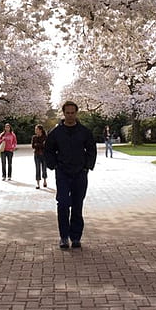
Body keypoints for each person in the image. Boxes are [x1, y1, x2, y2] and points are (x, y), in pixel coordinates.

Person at [45, 101, 96, 249]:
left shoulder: (84, 132)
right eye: (67, 113)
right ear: (64, 113)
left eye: (72, 112)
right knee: (63, 204)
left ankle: (76, 237)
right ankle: (64, 236)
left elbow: (91, 150)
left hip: (80, 173)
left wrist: (87, 167)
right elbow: (49, 150)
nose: (70, 115)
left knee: (77, 205)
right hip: (63, 173)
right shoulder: (56, 133)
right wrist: (53, 165)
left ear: (76, 113)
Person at [32, 124, 48, 189]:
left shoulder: (45, 137)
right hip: (37, 155)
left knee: (44, 169)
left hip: (44, 155)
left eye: (37, 129)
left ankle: (45, 181)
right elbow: (33, 146)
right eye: (35, 129)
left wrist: (37, 145)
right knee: (37, 169)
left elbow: (46, 146)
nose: (35, 130)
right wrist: (41, 145)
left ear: (40, 130)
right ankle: (38, 183)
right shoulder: (34, 137)